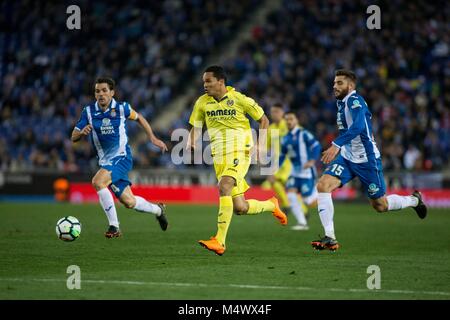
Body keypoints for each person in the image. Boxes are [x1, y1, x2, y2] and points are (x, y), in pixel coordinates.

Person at [311, 69, 427, 251]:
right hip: (348, 159)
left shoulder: (355, 101)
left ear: (350, 86)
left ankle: (414, 200)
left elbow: (358, 126)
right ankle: (330, 237)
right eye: (334, 83)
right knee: (323, 185)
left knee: (380, 205)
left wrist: (336, 144)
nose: (334, 86)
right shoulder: (342, 103)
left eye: (339, 83)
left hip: (367, 160)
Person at [187, 65, 288, 256]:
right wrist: (191, 140)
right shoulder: (202, 102)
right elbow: (196, 125)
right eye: (203, 82)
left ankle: (219, 241)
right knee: (240, 208)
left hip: (240, 151)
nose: (205, 85)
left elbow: (264, 120)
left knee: (224, 186)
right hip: (219, 157)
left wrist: (259, 145)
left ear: (221, 82)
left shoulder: (240, 99)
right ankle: (271, 204)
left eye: (208, 81)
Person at [71, 77, 169, 238]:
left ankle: (114, 227)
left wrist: (152, 137)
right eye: (97, 91)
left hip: (122, 157)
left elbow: (140, 118)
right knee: (129, 202)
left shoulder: (122, 108)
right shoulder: (88, 112)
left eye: (104, 90)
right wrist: (81, 133)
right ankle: (158, 210)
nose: (101, 94)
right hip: (106, 162)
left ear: (112, 92)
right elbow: (73, 136)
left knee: (98, 181)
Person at [278, 111, 321, 230]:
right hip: (295, 172)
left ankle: (321, 189)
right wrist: (274, 169)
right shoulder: (285, 138)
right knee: (290, 195)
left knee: (308, 201)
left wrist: (312, 161)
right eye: (286, 119)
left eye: (291, 119)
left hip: (307, 172)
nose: (288, 121)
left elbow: (316, 146)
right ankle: (302, 223)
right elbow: (282, 155)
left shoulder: (304, 134)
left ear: (296, 120)